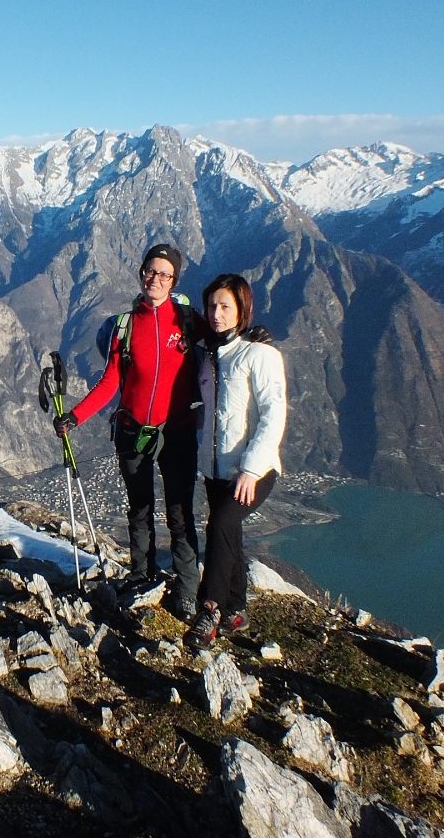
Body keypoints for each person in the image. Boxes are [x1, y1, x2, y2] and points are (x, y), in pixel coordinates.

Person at [53, 244, 205, 616]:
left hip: (177, 431)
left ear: (174, 280)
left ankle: (187, 589)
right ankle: (142, 572)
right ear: (140, 273)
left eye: (164, 274)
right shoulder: (125, 326)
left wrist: (253, 337)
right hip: (132, 430)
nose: (155, 279)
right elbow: (109, 383)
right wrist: (74, 417)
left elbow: (223, 338)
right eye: (150, 272)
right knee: (139, 507)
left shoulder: (189, 321)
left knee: (179, 512)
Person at [184, 273, 286, 650]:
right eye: (211, 306)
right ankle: (235, 610)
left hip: (253, 470)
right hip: (216, 469)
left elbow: (274, 413)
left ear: (242, 310)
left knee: (220, 525)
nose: (216, 313)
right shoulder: (209, 357)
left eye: (226, 306)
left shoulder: (260, 355)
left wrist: (251, 469)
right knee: (230, 534)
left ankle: (208, 610)